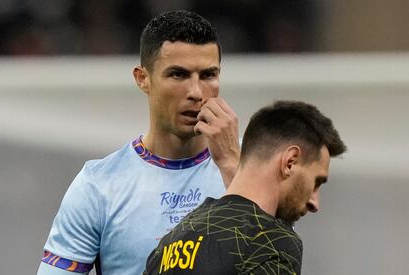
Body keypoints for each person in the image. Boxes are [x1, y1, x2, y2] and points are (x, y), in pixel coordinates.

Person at [37, 10, 240, 275]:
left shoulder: (251, 164)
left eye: (207, 75)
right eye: (178, 75)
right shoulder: (99, 186)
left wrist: (233, 168)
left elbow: (279, 262)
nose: (196, 92)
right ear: (143, 79)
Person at [144, 100, 347, 275]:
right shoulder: (272, 241)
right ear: (290, 162)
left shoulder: (168, 245)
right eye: (316, 182)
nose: (315, 202)